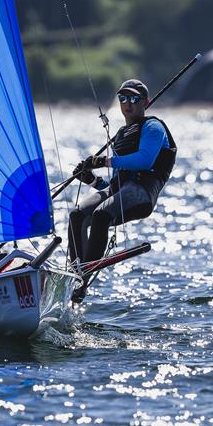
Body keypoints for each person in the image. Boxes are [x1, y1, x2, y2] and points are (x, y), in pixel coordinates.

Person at [68, 79, 177, 302]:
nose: (128, 103)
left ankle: (82, 281)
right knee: (77, 215)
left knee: (100, 215)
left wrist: (104, 161)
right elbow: (114, 185)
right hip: (121, 192)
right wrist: (90, 179)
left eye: (134, 98)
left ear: (145, 102)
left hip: (142, 194)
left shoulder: (154, 127)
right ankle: (74, 273)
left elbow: (145, 161)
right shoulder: (121, 134)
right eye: (123, 98)